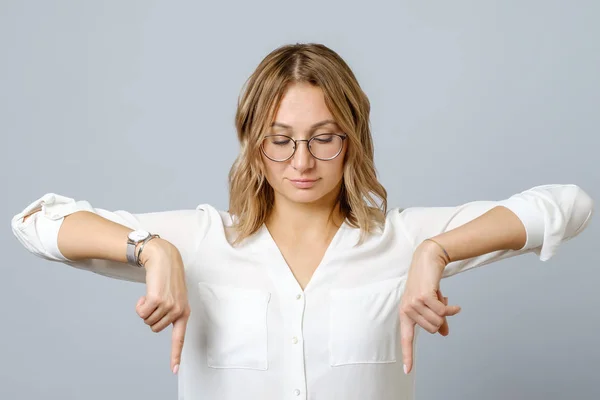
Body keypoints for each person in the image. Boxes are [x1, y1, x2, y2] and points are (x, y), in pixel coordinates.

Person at [10, 43, 594, 400]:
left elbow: (567, 206)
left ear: (353, 138)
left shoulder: (402, 240)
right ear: (253, 143)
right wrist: (151, 249)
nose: (302, 161)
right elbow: (37, 221)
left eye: (323, 138)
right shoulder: (200, 242)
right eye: (281, 140)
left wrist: (435, 252)